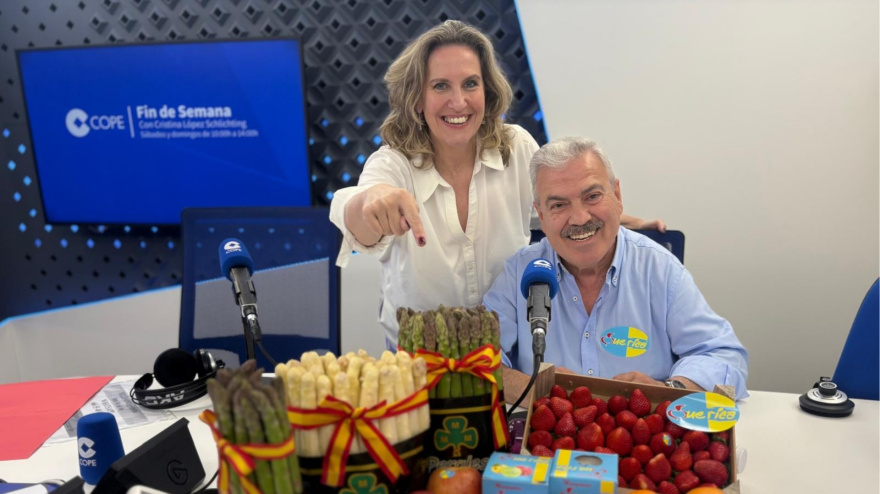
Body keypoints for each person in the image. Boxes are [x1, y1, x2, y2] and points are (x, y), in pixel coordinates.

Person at [329, 20, 664, 347]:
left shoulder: (517, 147)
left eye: (470, 84)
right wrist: (373, 202)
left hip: (506, 350)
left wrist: (615, 222)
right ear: (417, 98)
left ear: (487, 92)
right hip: (420, 358)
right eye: (440, 86)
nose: (458, 102)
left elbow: (553, 212)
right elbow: (359, 216)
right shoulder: (392, 163)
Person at [482, 136, 749, 399]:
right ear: (541, 215)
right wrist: (534, 390)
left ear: (617, 195)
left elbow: (724, 356)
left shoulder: (659, 268)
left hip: (642, 425)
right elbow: (475, 360)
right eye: (559, 205)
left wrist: (667, 389)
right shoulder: (520, 272)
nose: (579, 218)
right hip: (548, 426)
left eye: (592, 196)